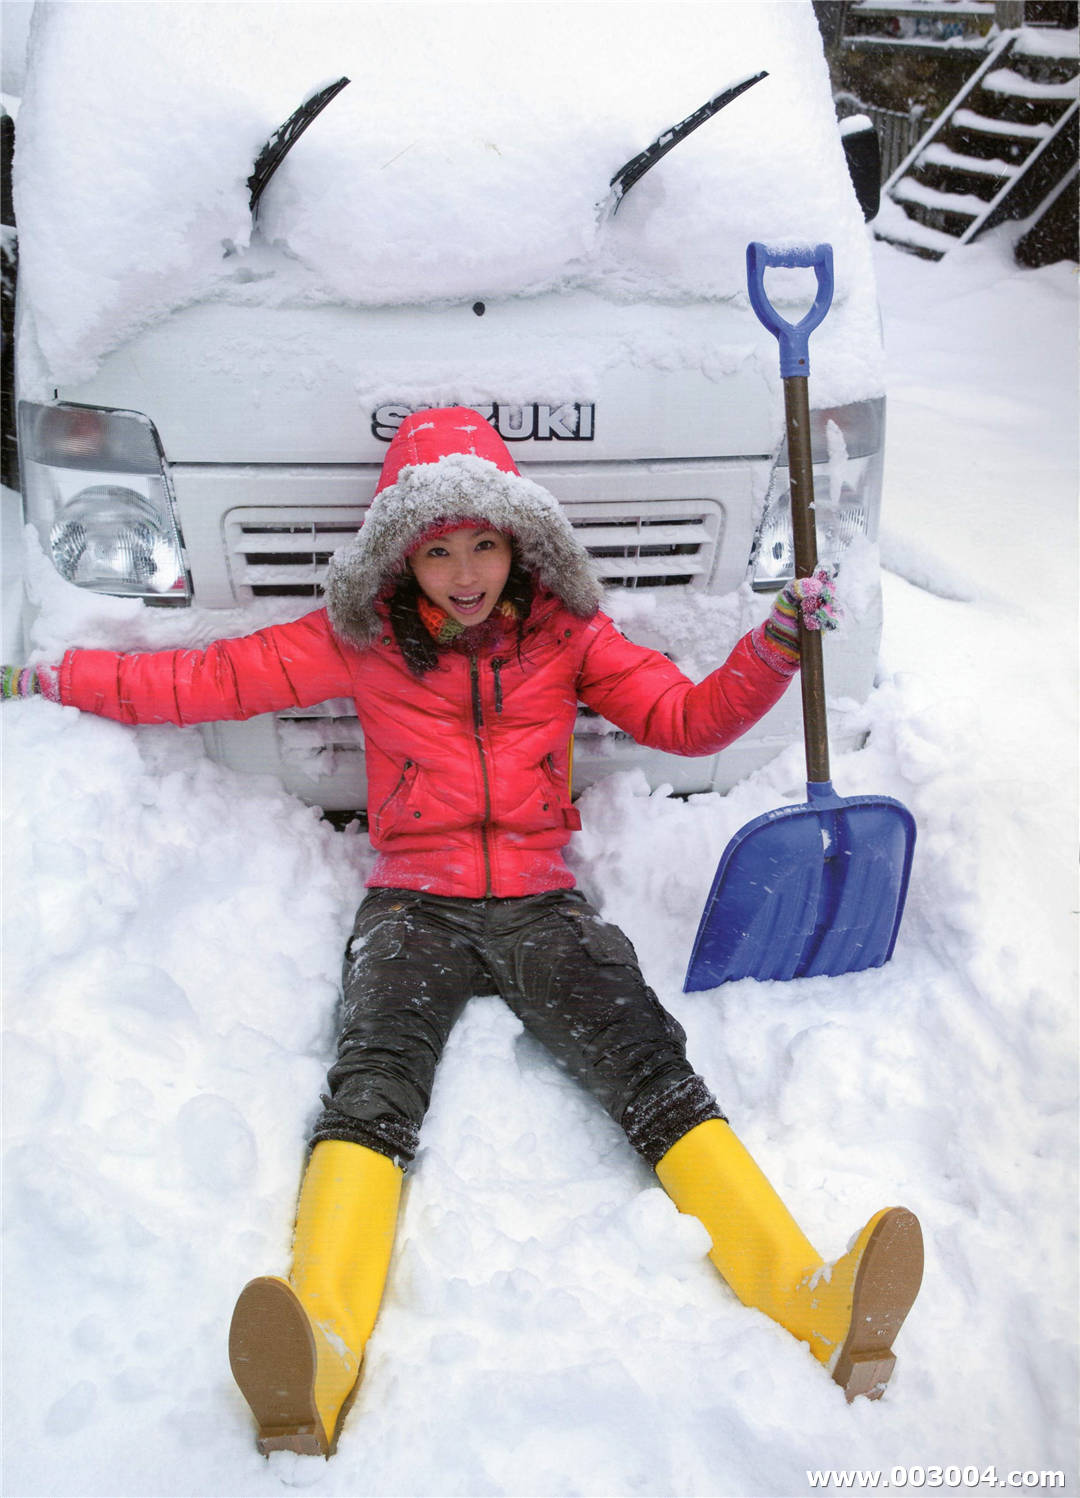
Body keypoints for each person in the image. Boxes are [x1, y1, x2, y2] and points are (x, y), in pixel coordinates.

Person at [4, 407, 922, 1456]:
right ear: (404, 555)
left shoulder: (569, 637)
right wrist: (58, 675)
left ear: (521, 542)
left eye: (484, 542)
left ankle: (807, 1297)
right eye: (438, 548)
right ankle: (324, 1344)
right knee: (374, 1076)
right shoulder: (363, 643)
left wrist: (776, 646)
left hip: (540, 897)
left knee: (646, 1059)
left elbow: (687, 718)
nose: (465, 570)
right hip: (415, 902)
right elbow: (206, 679)